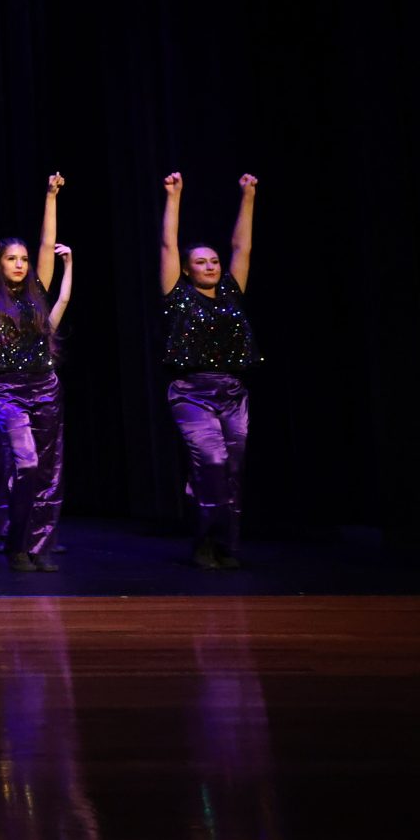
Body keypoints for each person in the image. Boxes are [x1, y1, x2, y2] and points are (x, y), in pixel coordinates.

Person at [0, 174, 73, 572]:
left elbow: (48, 243)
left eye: (23, 259)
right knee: (26, 462)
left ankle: (38, 546)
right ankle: (16, 543)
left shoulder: (38, 293)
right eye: (12, 258)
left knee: (47, 470)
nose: (19, 264)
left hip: (45, 386)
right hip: (7, 390)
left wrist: (50, 195)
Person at [159, 172, 260, 569]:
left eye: (214, 261)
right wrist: (174, 196)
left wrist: (248, 196)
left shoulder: (232, 292)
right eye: (200, 262)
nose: (210, 266)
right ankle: (204, 540)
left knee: (232, 470)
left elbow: (242, 246)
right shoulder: (177, 296)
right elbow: (168, 245)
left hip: (233, 392)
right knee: (212, 462)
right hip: (190, 392)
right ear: (187, 270)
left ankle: (225, 546)